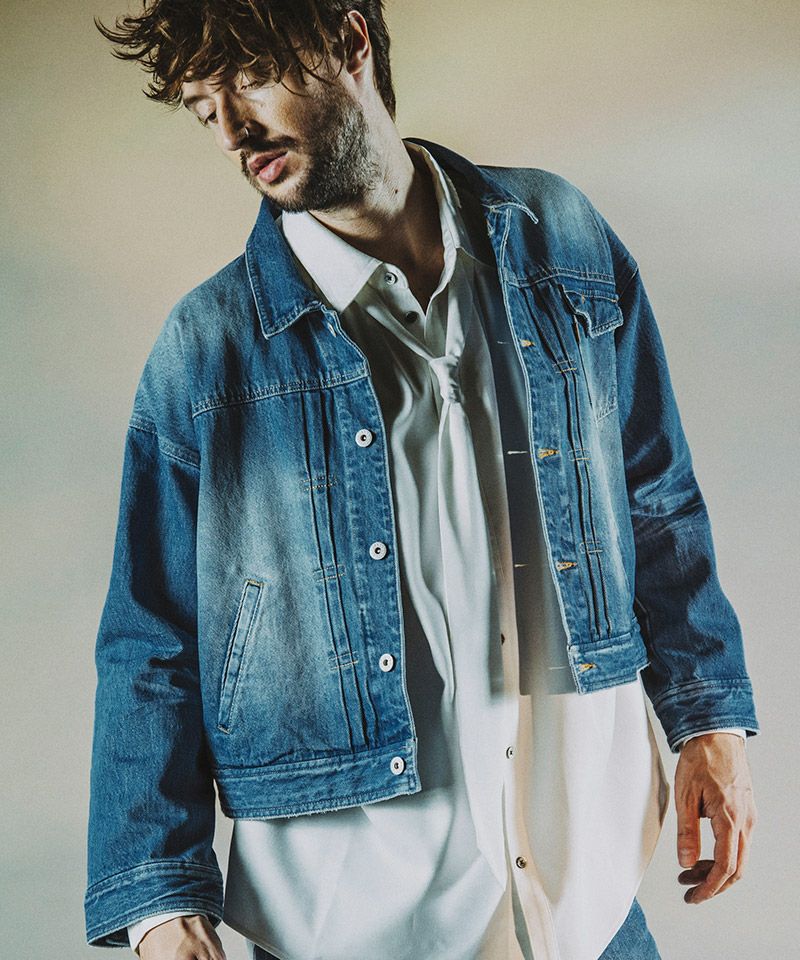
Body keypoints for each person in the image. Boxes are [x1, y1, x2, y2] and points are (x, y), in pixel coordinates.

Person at [84, 3, 760, 958]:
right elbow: (151, 641)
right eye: (205, 109)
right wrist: (159, 902)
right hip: (355, 929)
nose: (233, 132)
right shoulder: (210, 353)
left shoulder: (560, 240)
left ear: (349, 41)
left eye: (250, 81)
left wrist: (708, 719)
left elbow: (653, 495)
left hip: (588, 911)